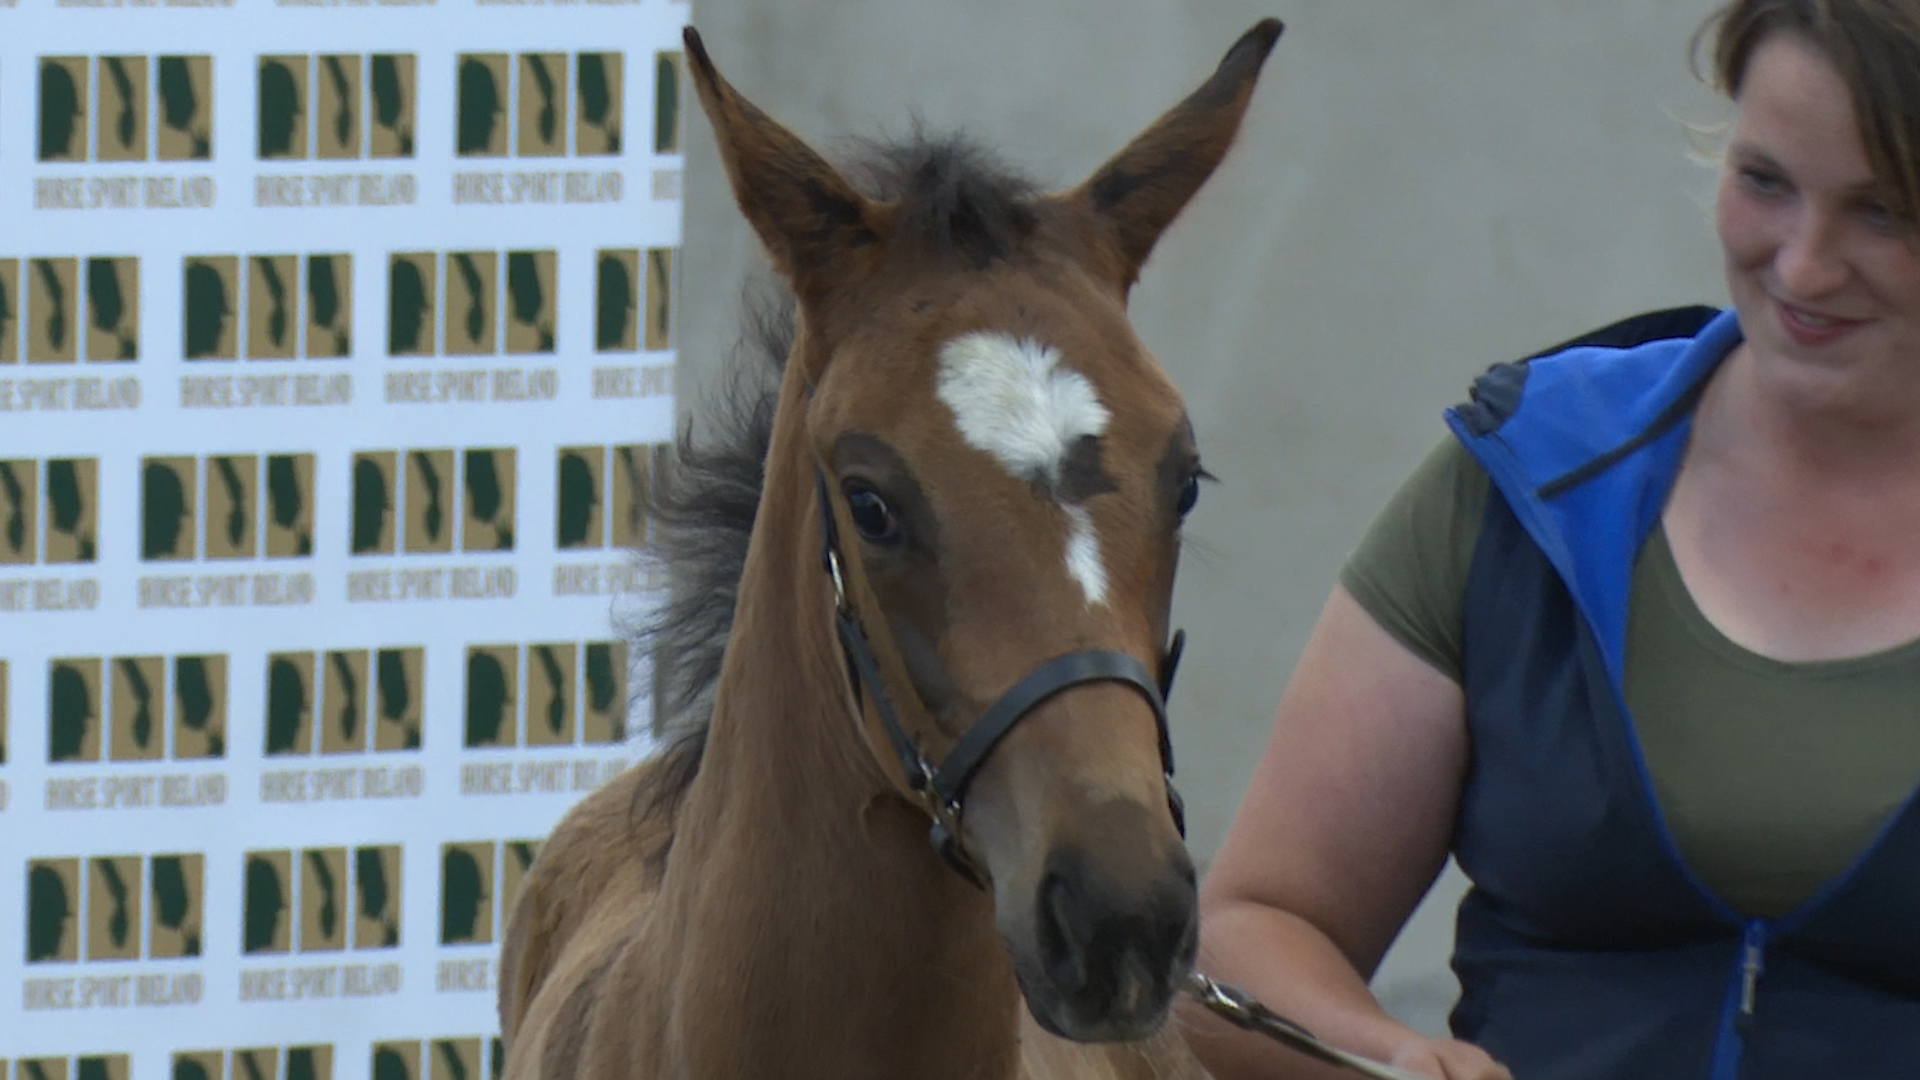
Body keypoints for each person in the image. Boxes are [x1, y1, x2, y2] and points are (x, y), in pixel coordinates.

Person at [1186, 2, 1920, 1078]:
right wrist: (1387, 1056)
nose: (1803, 268)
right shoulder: (1533, 478)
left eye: (1883, 213)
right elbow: (1249, 936)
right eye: (1766, 181)